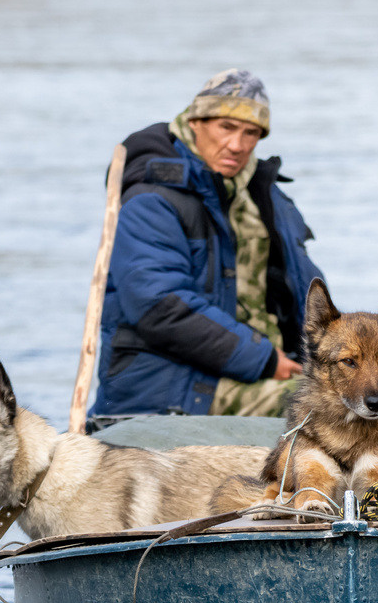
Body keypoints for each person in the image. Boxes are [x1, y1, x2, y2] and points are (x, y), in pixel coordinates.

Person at [89, 69, 324, 422]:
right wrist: (265, 359)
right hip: (173, 386)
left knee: (365, 398)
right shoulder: (152, 199)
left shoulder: (268, 197)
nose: (238, 145)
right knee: (324, 410)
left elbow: (307, 294)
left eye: (251, 133)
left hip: (270, 367)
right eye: (225, 128)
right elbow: (159, 306)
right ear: (196, 121)